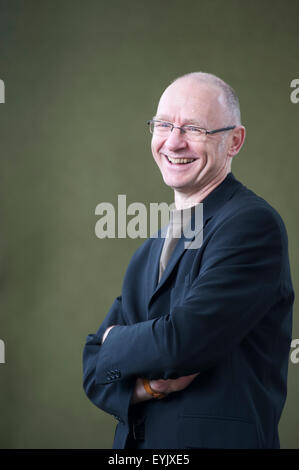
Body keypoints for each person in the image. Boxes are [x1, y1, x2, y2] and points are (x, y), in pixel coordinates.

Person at [83, 72, 294, 449]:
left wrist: (114, 340)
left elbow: (181, 344)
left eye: (194, 128)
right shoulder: (151, 247)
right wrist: (147, 386)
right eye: (164, 124)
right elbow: (92, 368)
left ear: (234, 141)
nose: (174, 141)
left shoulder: (251, 225)